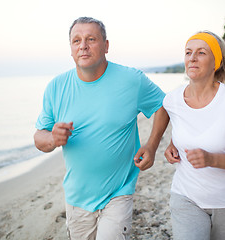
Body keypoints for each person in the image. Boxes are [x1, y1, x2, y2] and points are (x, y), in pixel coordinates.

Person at [34, 17, 169, 240]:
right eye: (76, 40)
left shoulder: (131, 80)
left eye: (91, 39)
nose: (83, 46)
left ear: (106, 46)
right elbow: (39, 137)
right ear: (70, 49)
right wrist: (53, 139)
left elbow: (162, 105)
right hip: (77, 198)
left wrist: (152, 145)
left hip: (119, 192)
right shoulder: (56, 87)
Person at [163, 31, 225, 240]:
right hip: (186, 196)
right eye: (188, 52)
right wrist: (170, 145)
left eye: (201, 52)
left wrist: (211, 159)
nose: (192, 58)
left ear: (216, 62)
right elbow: (180, 128)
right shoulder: (172, 100)